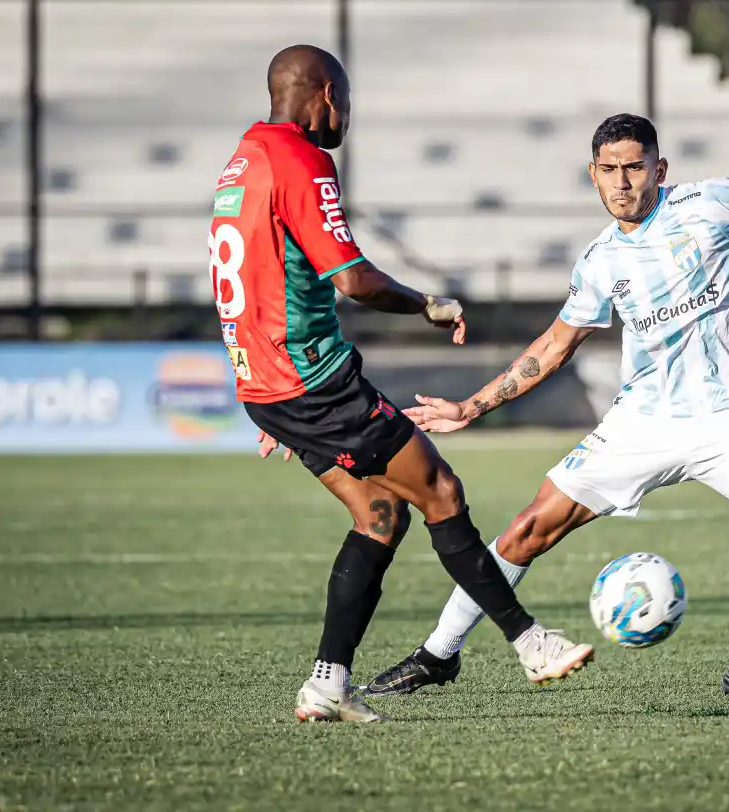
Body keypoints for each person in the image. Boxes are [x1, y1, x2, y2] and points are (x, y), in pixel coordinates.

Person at [366, 113, 729, 701]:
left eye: (635, 167)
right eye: (609, 170)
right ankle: (438, 654)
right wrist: (470, 407)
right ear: (593, 175)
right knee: (527, 530)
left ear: (658, 169)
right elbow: (554, 347)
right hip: (642, 422)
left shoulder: (711, 202)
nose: (622, 182)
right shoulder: (598, 261)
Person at [210, 45, 592, 724]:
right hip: (312, 381)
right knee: (440, 491)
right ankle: (531, 642)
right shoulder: (299, 157)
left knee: (379, 518)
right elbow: (352, 279)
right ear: (324, 94)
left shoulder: (240, 164)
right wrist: (425, 304)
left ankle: (327, 684)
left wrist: (271, 396)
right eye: (346, 103)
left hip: (266, 385)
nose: (346, 119)